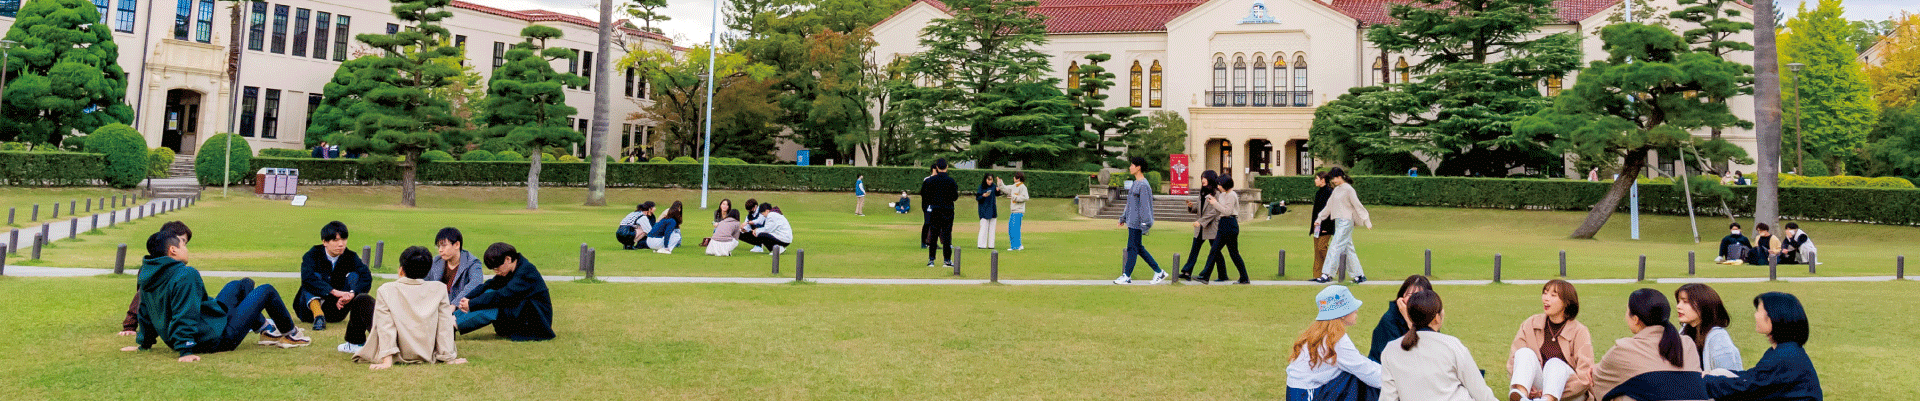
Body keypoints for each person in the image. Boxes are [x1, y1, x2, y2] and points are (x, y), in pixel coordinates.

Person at [121, 230, 312, 362]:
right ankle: (290, 335)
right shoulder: (185, 274)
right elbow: (184, 313)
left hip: (208, 327)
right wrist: (185, 349)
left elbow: (145, 312)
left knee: (240, 285)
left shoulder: (149, 274)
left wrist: (143, 345)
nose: (186, 249)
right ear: (173, 250)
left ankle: (265, 330)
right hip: (214, 339)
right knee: (267, 290)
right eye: (183, 244)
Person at [354, 246, 468, 369]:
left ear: (401, 270)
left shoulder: (386, 289)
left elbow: (386, 326)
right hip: (427, 353)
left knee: (362, 300)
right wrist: (448, 358)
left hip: (399, 353)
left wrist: (387, 361)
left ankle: (352, 342)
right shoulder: (439, 288)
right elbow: (444, 325)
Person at [1379, 290, 1499, 401]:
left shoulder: (1391, 349)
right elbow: (1480, 391)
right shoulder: (1451, 345)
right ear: (1437, 317)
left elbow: (1388, 397)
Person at [1702, 292, 1822, 400]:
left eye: (1759, 311)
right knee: (1719, 372)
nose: (1755, 315)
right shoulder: (1783, 350)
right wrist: (1711, 377)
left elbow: (1746, 389)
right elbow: (1752, 377)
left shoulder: (1786, 356)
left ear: (1773, 317)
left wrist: (1703, 381)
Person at [1593, 289, 1700, 399]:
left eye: (1626, 311)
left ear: (1635, 319)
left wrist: (1593, 369)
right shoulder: (1687, 343)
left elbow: (1596, 381)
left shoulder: (1624, 349)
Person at [1286, 285, 1382, 401]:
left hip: (1301, 392)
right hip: (1307, 395)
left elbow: (1360, 363)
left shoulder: (1319, 332)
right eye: (1352, 307)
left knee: (1352, 373)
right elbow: (1364, 369)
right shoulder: (1336, 340)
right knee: (1358, 379)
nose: (1356, 310)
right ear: (1342, 314)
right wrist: (1396, 380)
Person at [1507, 279, 1595, 401]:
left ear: (1566, 303)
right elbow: (1513, 362)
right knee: (1523, 353)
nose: (1546, 298)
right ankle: (1521, 395)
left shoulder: (1580, 331)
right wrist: (1532, 388)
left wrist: (1548, 392)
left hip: (1569, 392)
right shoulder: (1531, 324)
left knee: (1555, 363)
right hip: (1536, 389)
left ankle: (1547, 399)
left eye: (1553, 295)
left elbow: (1584, 377)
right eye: (1545, 293)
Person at [297, 221, 375, 354]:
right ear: (324, 242)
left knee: (355, 276)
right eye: (335, 240)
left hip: (336, 311)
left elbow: (366, 277)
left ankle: (339, 307)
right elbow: (307, 278)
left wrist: (351, 294)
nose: (341, 244)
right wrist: (333, 292)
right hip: (307, 311)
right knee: (313, 277)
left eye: (344, 239)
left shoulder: (350, 256)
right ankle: (318, 315)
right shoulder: (312, 254)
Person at [457, 243, 555, 341]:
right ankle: (450, 319)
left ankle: (452, 326)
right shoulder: (512, 269)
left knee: (493, 306)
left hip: (535, 323)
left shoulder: (526, 272)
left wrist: (471, 304)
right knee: (489, 292)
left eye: (497, 268)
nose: (496, 272)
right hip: (520, 314)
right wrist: (467, 299)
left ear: (508, 259)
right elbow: (488, 285)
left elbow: (502, 296)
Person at [119, 221, 193, 336]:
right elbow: (142, 296)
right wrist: (130, 326)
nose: (184, 247)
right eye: (182, 241)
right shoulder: (156, 269)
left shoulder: (172, 268)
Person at [1115, 156, 1168, 285]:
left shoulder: (1143, 185)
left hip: (1138, 223)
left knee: (1132, 249)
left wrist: (1146, 223)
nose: (1130, 167)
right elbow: (1130, 204)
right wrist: (1123, 217)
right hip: (1132, 222)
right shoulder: (1135, 183)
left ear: (1138, 167)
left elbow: (1146, 206)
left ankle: (1127, 276)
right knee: (1137, 249)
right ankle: (1159, 272)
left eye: (1132, 165)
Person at [1315, 168, 1372, 283]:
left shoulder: (1349, 190)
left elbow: (1358, 205)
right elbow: (1329, 206)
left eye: (1334, 178)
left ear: (1340, 176)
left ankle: (1327, 274)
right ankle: (1359, 275)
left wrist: (1366, 220)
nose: (1333, 181)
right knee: (1348, 249)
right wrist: (1320, 218)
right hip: (1338, 222)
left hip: (1346, 221)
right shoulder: (1336, 190)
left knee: (1335, 246)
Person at [1674, 283, 1742, 372]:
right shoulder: (1684, 332)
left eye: (1685, 302)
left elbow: (1730, 378)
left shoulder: (1718, 338)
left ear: (1703, 305)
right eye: (1679, 301)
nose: (1678, 306)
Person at [1197, 176, 1250, 284]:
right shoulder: (1223, 195)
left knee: (1225, 252)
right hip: (1223, 224)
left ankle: (1205, 276)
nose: (1218, 187)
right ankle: (1205, 276)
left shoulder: (1231, 195)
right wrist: (1215, 202)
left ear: (1225, 185)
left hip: (1229, 224)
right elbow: (1220, 209)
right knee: (1218, 251)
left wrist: (1215, 203)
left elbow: (1227, 211)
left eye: (1219, 185)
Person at [1370, 275, 1434, 362]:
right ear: (1402, 297)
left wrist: (1410, 321)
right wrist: (1408, 320)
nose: (1415, 300)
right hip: (1385, 369)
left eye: (1420, 296)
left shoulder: (1428, 317)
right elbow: (1394, 358)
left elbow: (1431, 349)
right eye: (1410, 295)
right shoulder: (1389, 320)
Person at [425, 227, 485, 307]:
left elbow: (476, 283)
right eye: (438, 246)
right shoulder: (436, 261)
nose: (440, 250)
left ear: (457, 245)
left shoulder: (472, 263)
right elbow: (423, 282)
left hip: (460, 310)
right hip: (436, 307)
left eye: (443, 246)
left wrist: (454, 305)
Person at [1179, 170, 1222, 282]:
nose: (1202, 180)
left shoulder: (1216, 193)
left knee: (1216, 252)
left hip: (1211, 227)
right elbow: (1200, 208)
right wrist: (1191, 207)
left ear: (1211, 179)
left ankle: (1223, 274)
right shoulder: (1202, 192)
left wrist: (1201, 221)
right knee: (1194, 250)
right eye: (1202, 177)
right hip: (1201, 227)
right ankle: (1187, 272)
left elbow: (1214, 211)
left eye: (1205, 178)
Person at [921, 159, 959, 267]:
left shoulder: (930, 181)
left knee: (933, 234)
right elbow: (955, 197)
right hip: (947, 211)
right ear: (946, 167)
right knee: (946, 235)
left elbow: (924, 195)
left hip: (935, 210)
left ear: (936, 168)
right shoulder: (951, 181)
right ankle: (947, 260)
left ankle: (931, 260)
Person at [1309, 172, 1336, 282]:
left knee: (1322, 248)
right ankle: (1317, 275)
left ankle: (1330, 271)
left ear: (1323, 180)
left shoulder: (1329, 192)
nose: (1315, 180)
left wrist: (1328, 227)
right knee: (1317, 250)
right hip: (1317, 227)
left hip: (1326, 227)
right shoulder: (1319, 192)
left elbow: (1330, 212)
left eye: (1317, 178)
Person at [975, 174, 1002, 249]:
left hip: (992, 209)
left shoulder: (993, 186)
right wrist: (983, 196)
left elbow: (997, 194)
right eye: (988, 179)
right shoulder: (981, 187)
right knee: (984, 228)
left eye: (991, 180)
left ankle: (991, 245)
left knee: (992, 228)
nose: (990, 181)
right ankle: (981, 244)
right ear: (985, 179)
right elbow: (977, 198)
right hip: (984, 209)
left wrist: (998, 190)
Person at [1004, 173, 1030, 251]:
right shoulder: (1014, 186)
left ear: (1018, 179)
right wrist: (1000, 183)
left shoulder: (1022, 187)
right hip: (1013, 211)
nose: (1013, 178)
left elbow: (1026, 198)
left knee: (1015, 228)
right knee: (1011, 228)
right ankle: (1015, 245)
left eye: (1015, 177)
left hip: (1019, 211)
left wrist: (1014, 197)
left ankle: (1016, 246)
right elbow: (1005, 188)